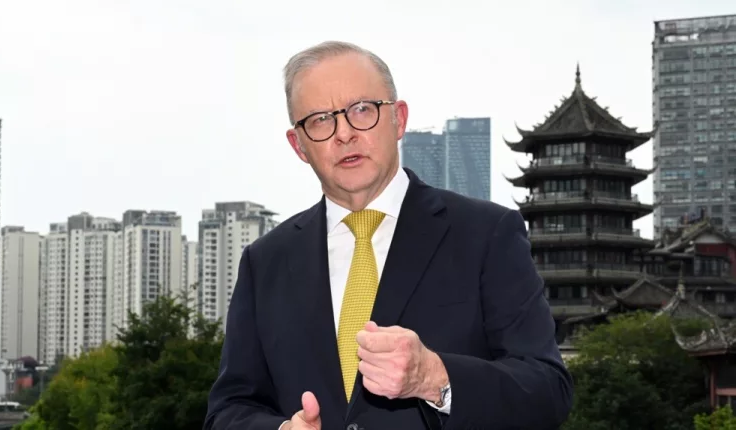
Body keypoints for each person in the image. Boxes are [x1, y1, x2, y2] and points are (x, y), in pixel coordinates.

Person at [204, 41, 573, 430]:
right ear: (299, 145)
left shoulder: (486, 234)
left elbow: (548, 391)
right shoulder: (265, 261)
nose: (344, 133)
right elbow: (229, 409)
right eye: (320, 119)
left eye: (362, 109)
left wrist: (435, 378)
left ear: (399, 119)